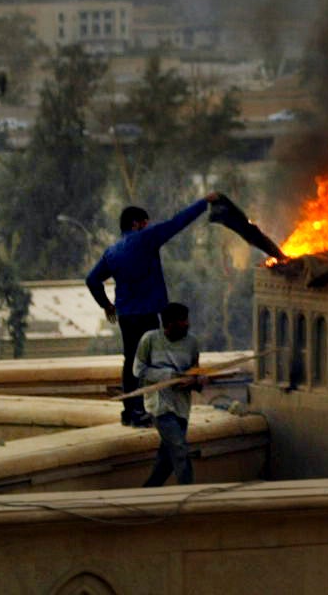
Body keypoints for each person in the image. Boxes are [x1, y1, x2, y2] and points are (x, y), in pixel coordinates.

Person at [85, 195, 222, 426]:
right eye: (145, 223)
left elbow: (92, 279)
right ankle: (143, 411)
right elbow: (177, 222)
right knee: (148, 363)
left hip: (126, 315)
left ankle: (130, 411)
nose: (148, 226)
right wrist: (203, 202)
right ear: (137, 223)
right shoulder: (146, 239)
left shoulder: (112, 252)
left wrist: (106, 305)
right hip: (147, 313)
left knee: (131, 360)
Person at [134, 301, 201, 487]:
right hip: (159, 405)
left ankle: (147, 493)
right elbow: (138, 370)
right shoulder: (150, 340)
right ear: (169, 324)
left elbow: (195, 370)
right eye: (182, 320)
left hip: (181, 405)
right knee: (180, 449)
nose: (187, 324)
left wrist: (194, 380)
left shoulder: (192, 342)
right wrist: (170, 376)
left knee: (167, 459)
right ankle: (188, 493)